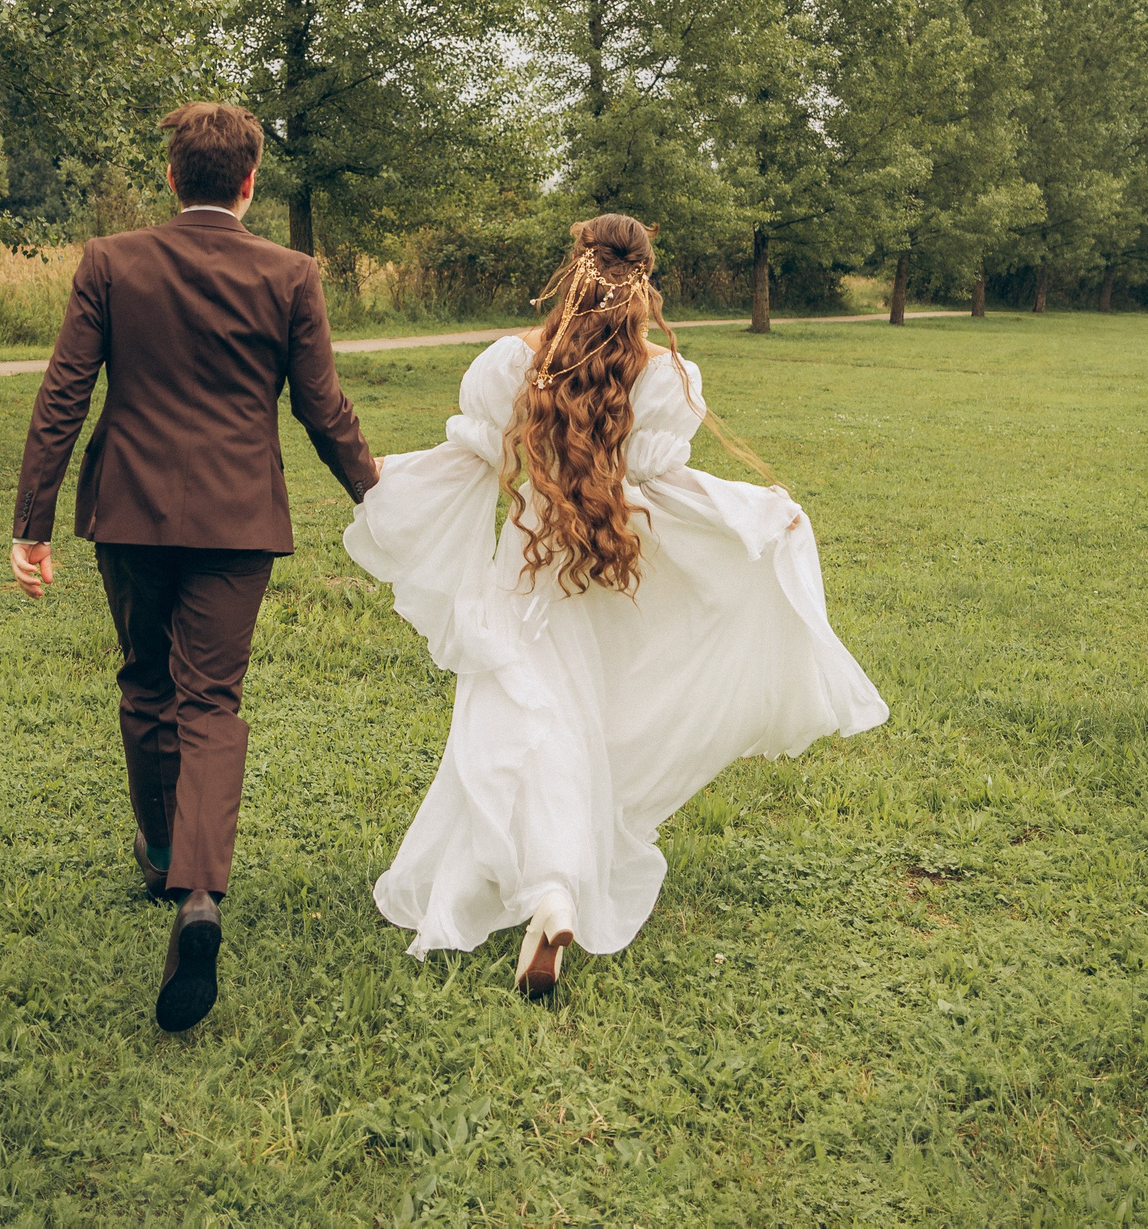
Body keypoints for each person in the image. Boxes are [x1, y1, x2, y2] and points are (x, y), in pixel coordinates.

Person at [344, 214, 888, 997]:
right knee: (567, 721)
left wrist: (378, 475)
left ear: (574, 271)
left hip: (528, 564)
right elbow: (663, 486)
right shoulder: (666, 377)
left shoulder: (513, 364)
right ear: (645, 281)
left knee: (516, 720)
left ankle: (552, 890)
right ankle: (553, 889)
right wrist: (757, 513)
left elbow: (467, 460)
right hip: (603, 572)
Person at [10, 102, 377, 1034]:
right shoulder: (291, 273)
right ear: (249, 182)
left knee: (142, 678)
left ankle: (161, 846)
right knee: (209, 699)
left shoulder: (110, 261)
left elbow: (64, 392)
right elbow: (323, 409)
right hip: (238, 518)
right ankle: (198, 893)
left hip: (127, 513)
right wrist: (380, 497)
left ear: (172, 177)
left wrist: (33, 521)